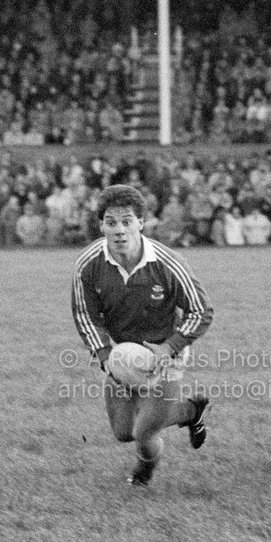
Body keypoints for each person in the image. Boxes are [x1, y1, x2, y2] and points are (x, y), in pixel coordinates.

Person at [71, 185, 213, 487]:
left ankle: (145, 469)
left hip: (166, 356)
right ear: (101, 226)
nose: (119, 230)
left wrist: (169, 348)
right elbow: (85, 315)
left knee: (143, 432)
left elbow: (201, 311)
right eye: (111, 222)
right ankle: (190, 411)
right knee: (123, 432)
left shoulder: (167, 262)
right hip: (122, 354)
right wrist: (105, 355)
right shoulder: (88, 265)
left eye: (127, 221)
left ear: (141, 223)